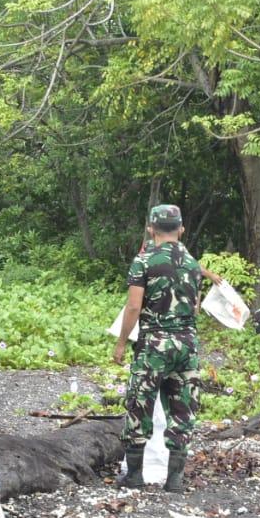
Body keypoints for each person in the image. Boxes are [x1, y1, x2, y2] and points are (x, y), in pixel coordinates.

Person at [113, 204, 202, 493]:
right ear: (181, 228)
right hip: (187, 344)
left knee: (140, 405)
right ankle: (175, 479)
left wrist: (122, 341)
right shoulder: (192, 263)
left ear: (151, 229)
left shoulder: (144, 260)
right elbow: (196, 306)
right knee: (182, 408)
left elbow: (134, 306)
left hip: (154, 344)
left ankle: (135, 476)